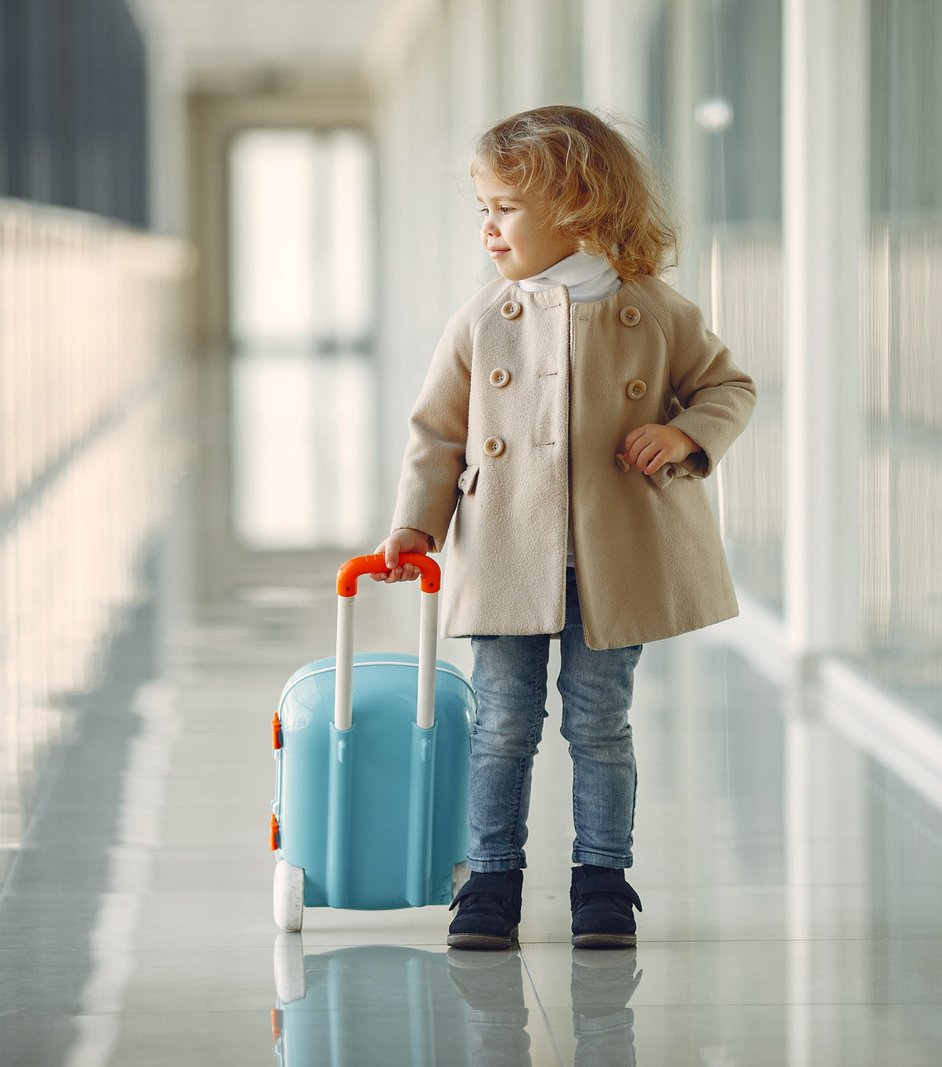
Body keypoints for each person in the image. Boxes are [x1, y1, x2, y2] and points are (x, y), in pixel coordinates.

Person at [375, 105, 755, 950]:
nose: (488, 229)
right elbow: (437, 431)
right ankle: (492, 880)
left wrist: (683, 434)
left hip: (614, 560)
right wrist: (415, 526)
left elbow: (729, 386)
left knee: (599, 722)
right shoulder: (484, 317)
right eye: (483, 207)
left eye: (504, 207)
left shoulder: (653, 310)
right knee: (503, 722)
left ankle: (603, 880)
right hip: (510, 552)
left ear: (578, 202)